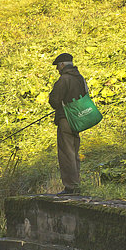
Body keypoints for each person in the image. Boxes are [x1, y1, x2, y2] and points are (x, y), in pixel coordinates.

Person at [48, 52, 87, 194]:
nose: (57, 69)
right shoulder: (80, 78)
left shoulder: (64, 79)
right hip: (78, 118)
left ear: (63, 64)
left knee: (66, 153)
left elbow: (54, 101)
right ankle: (77, 184)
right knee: (74, 152)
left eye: (58, 66)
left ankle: (70, 187)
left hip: (65, 119)